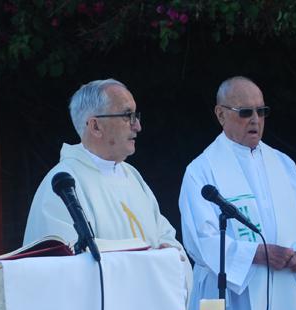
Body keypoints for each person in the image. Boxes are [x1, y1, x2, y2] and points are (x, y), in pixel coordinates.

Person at [179, 76, 296, 310]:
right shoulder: (201, 170)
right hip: (229, 297)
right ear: (221, 114)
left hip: (283, 288)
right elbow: (201, 240)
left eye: (262, 111)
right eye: (245, 112)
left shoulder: (283, 164)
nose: (255, 120)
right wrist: (256, 254)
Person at [24, 78, 191, 290]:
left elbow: (166, 237)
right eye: (127, 116)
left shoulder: (132, 176)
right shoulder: (62, 185)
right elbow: (63, 268)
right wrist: (151, 263)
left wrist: (169, 255)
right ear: (95, 126)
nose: (137, 126)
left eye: (136, 116)